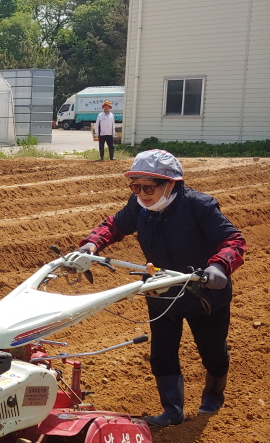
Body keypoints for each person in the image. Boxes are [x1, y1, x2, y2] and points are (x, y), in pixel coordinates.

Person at [79, 150, 246, 426]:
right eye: (136, 186)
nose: (142, 193)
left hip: (203, 294)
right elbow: (114, 225)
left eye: (148, 186)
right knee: (162, 352)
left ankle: (214, 395)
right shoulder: (140, 206)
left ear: (171, 184)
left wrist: (219, 267)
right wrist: (92, 244)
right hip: (163, 291)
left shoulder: (199, 206)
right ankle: (172, 410)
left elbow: (234, 241)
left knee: (212, 351)